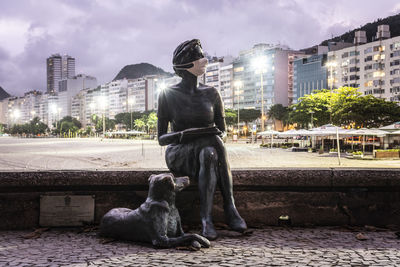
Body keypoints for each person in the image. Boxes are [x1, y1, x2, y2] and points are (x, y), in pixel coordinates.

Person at [157, 39, 247, 240]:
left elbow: (222, 131)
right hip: (179, 152)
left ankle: (207, 220)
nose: (205, 60)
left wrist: (206, 135)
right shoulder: (167, 95)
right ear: (188, 65)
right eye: (200, 56)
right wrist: (186, 135)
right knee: (213, 143)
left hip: (208, 152)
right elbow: (162, 139)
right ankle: (229, 206)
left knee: (209, 152)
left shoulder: (212, 93)